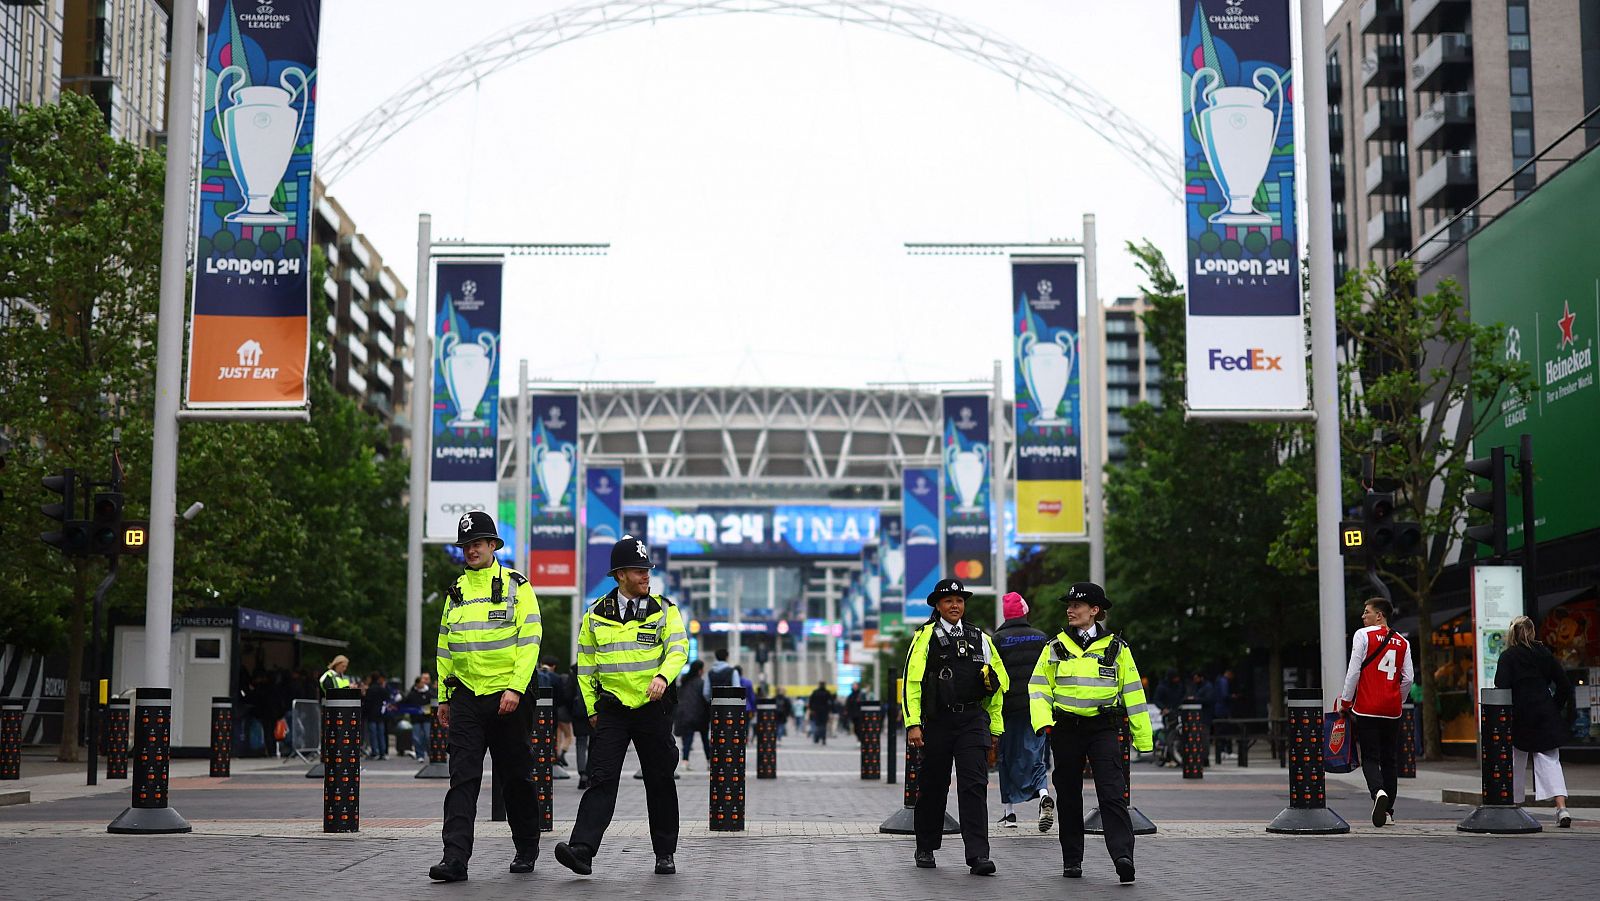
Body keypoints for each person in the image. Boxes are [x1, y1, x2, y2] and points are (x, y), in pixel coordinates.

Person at [555, 534, 689, 878]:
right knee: (600, 779)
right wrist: (592, 709)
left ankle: (665, 852)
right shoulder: (595, 614)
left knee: (660, 780)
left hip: (652, 708)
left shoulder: (664, 610)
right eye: (639, 570)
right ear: (620, 575)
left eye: (648, 569)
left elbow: (678, 650)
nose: (646, 575)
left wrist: (662, 676)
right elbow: (585, 666)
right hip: (612, 709)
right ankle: (582, 850)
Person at [428, 512, 543, 883]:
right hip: (465, 698)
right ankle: (455, 859)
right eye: (466, 545)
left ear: (493, 545)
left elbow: (529, 643)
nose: (471, 550)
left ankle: (527, 846)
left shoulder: (516, 586)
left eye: (478, 543)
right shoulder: (455, 592)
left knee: (516, 778)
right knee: (462, 779)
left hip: (508, 697)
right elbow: (445, 648)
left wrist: (515, 688)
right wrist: (444, 696)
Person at [1030, 582, 1152, 885]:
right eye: (1068, 605)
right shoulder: (1054, 647)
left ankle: (1123, 857)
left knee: (1112, 793)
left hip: (1103, 729)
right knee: (1069, 796)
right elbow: (1039, 688)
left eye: (1077, 605)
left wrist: (1143, 737)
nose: (1070, 610)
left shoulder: (1117, 649)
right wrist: (1043, 722)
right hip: (1066, 729)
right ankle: (1072, 860)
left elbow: (1133, 693)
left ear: (1095, 610)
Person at [903, 578, 1008, 876]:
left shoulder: (980, 638)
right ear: (938, 605)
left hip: (973, 720)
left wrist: (995, 728)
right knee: (934, 786)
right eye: (948, 600)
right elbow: (911, 684)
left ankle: (978, 855)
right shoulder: (924, 637)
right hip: (938, 721)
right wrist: (913, 724)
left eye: (959, 600)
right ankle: (925, 846)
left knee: (974, 785)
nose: (955, 605)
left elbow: (999, 686)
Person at [1336, 596, 1414, 829]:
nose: (1363, 616)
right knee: (1390, 759)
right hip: (1392, 710)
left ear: (1379, 615)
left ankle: (1378, 793)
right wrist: (1397, 700)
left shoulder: (1363, 636)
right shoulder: (1403, 642)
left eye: (1366, 611)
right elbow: (1408, 678)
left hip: (1367, 707)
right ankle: (1388, 810)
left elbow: (1353, 672)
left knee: (1370, 757)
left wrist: (1346, 702)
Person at [1495, 615, 1576, 827]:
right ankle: (1561, 808)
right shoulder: (1545, 654)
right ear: (1532, 632)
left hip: (1520, 714)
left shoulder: (1508, 657)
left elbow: (1501, 687)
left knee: (1515, 761)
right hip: (1544, 712)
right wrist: (1553, 707)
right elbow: (1565, 685)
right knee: (1550, 761)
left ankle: (1514, 807)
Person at [993, 591, 1051, 831]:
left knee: (1006, 758)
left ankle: (1009, 813)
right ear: (1025, 611)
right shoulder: (1041, 638)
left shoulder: (997, 640)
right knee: (1036, 755)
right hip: (1036, 707)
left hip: (1007, 710)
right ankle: (1044, 793)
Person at [674, 660, 711, 769]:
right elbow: (706, 698)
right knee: (705, 739)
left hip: (685, 714)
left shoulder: (684, 682)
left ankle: (685, 761)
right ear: (700, 670)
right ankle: (709, 761)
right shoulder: (701, 683)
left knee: (687, 739)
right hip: (700, 714)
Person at [403, 674, 435, 762]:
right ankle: (419, 754)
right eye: (421, 682)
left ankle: (429, 752)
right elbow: (405, 702)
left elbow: (434, 701)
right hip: (415, 719)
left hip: (426, 718)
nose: (423, 683)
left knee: (427, 736)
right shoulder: (412, 694)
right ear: (417, 684)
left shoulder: (429, 692)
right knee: (416, 737)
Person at [363, 672, 389, 760]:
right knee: (381, 734)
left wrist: (365, 712)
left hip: (371, 714)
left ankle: (375, 752)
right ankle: (383, 752)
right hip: (380, 715)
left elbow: (367, 702)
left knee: (373, 734)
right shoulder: (382, 689)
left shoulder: (370, 689)